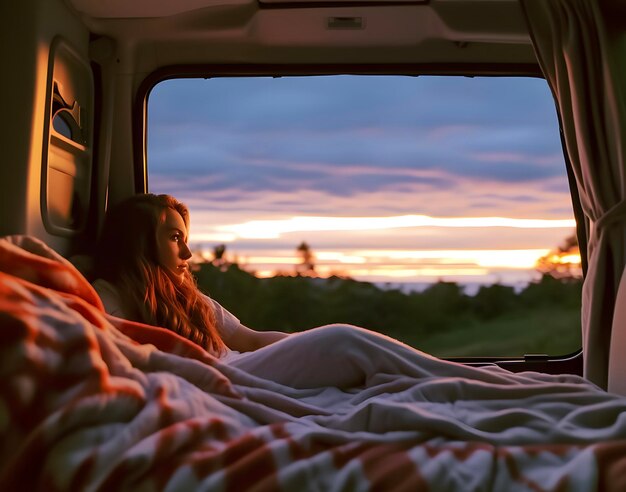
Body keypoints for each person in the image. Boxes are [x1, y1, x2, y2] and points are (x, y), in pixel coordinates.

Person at [92, 193, 289, 359]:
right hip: (231, 377)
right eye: (175, 238)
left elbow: (252, 341)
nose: (187, 253)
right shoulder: (108, 297)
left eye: (185, 240)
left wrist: (300, 341)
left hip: (244, 368)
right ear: (140, 243)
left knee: (319, 343)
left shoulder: (190, 300)